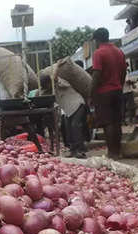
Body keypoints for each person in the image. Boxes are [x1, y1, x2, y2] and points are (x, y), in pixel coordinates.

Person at [90, 28, 127, 160]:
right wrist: (120, 85)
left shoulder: (98, 53)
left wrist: (92, 93)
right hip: (117, 90)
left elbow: (96, 74)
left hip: (104, 92)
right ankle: (118, 151)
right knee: (117, 122)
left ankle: (112, 153)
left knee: (108, 123)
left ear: (97, 40)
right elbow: (124, 71)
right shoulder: (119, 51)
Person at [53, 74, 88, 158]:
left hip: (77, 104)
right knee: (67, 128)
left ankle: (80, 150)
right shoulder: (52, 90)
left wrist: (56, 78)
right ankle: (73, 150)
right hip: (68, 110)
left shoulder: (61, 81)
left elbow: (64, 84)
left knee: (75, 126)